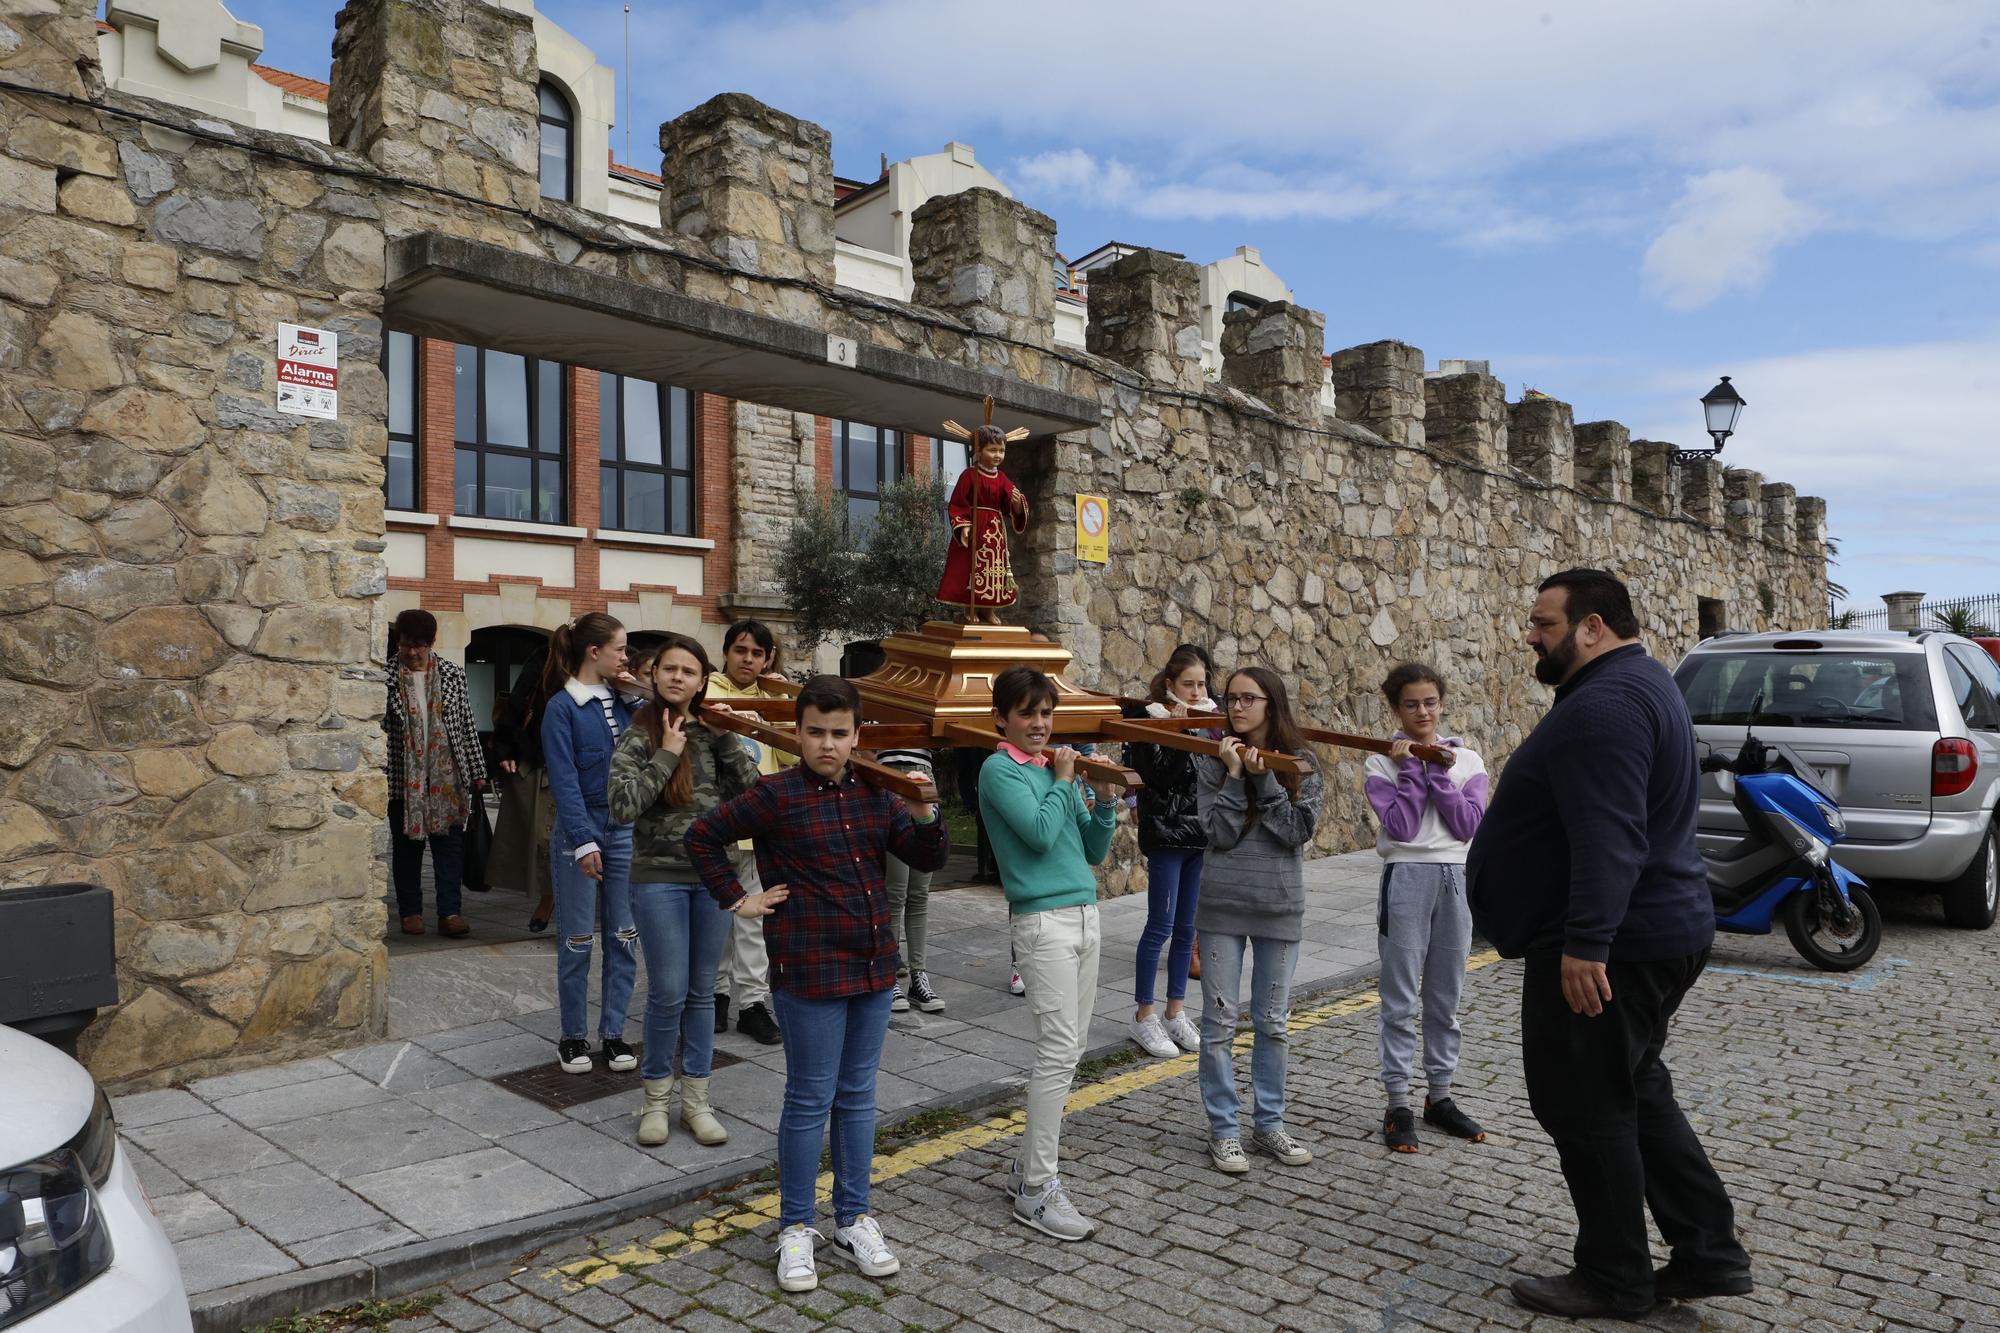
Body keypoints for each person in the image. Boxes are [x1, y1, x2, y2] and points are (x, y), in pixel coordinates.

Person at [1468, 569, 1752, 1318]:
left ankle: (1613, 1274)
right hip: (1653, 931)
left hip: (1613, 947)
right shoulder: (1644, 682)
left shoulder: (1607, 707)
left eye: (1545, 624)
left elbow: (1611, 835)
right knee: (1635, 1088)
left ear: (1593, 626)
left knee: (1584, 1103)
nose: (1531, 635)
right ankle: (1707, 1249)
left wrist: (1587, 943)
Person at [687, 675, 949, 1295]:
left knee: (857, 1095)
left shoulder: (878, 794)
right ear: (797, 734)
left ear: (857, 736)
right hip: (808, 968)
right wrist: (738, 899)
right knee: (809, 1099)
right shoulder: (774, 794)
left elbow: (927, 856)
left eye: (839, 733)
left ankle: (855, 1218)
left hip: (874, 968)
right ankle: (796, 1227)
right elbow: (703, 837)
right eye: (815, 733)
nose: (827, 744)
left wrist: (924, 812)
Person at [979, 665, 1119, 1241]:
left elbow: (1093, 848)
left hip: (1085, 914)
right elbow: (1037, 834)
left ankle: (1028, 1172)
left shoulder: (1050, 767)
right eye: (1028, 713)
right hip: (1043, 923)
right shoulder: (998, 769)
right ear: (1002, 719)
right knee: (1057, 1052)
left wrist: (1103, 798)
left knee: (1073, 1050)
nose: (1040, 723)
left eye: (1046, 713)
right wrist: (1065, 780)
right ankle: (1037, 1190)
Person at [609, 636, 760, 1149]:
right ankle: (655, 1099)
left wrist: (726, 738)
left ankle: (696, 1100)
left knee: (702, 993)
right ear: (654, 677)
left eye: (688, 671)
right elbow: (622, 806)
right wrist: (667, 756)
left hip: (714, 879)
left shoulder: (717, 732)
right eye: (669, 669)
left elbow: (754, 796)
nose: (677, 678)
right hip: (658, 880)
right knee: (668, 991)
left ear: (702, 680)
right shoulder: (639, 734)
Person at [1194, 665, 1324, 1176]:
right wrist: (1232, 775)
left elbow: (1295, 832)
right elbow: (1218, 833)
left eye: (1249, 698)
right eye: (1230, 699)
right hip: (1222, 904)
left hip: (1278, 905)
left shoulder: (1302, 763)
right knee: (1219, 1024)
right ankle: (1224, 1131)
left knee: (1273, 1023)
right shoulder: (1212, 760)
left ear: (1272, 703)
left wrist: (1264, 777)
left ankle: (1269, 1124)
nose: (1238, 707)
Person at [1364, 662, 1489, 1152]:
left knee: (1446, 996)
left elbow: (1465, 825)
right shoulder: (1380, 762)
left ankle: (1440, 1097)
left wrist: (1439, 769)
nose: (1422, 712)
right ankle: (1397, 1101)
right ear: (1396, 708)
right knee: (1399, 997)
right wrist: (1414, 767)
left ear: (1442, 704)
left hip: (1455, 878)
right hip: (1406, 878)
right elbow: (1402, 826)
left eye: (1430, 702)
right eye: (1411, 704)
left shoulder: (1470, 761)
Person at [540, 612, 647, 1077]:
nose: (627, 658)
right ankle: (572, 1036)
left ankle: (614, 1033)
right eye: (621, 649)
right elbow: (562, 781)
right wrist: (583, 842)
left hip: (624, 829)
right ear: (594, 651)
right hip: (578, 833)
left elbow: (663, 721)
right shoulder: (561, 708)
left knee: (624, 938)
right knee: (577, 940)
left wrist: (634, 689)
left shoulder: (625, 702)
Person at [1123, 646, 1214, 1058]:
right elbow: (1157, 777)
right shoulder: (1150, 719)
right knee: (1159, 926)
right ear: (1169, 684)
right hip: (1165, 833)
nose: (1196, 692)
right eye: (1188, 684)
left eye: (1201, 684)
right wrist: (1179, 737)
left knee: (1187, 929)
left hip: (1200, 834)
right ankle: (1145, 1015)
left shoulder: (1212, 719)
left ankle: (1176, 1011)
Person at [703, 619, 787, 1046]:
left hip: (759, 828)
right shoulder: (708, 693)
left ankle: (753, 1003)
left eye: (757, 653)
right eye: (741, 650)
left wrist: (784, 698)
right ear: (726, 652)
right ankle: (714, 997)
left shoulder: (773, 698)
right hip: (717, 828)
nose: (748, 660)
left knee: (755, 923)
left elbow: (791, 755)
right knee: (719, 916)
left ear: (768, 658)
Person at [383, 609, 487, 939]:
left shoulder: (454, 675)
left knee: (449, 848)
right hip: (403, 776)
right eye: (405, 644)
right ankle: (411, 911)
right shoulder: (384, 677)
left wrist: (477, 769)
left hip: (447, 776)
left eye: (419, 645)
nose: (412, 652)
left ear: (431, 643)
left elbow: (467, 725)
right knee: (406, 848)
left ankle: (450, 913)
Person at [489, 646, 557, 932]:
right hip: (541, 761)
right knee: (546, 840)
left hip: (589, 767)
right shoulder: (543, 660)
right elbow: (518, 702)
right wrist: (505, 748)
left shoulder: (609, 666)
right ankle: (550, 898)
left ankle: (557, 901)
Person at [875, 744, 945, 1014]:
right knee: (895, 892)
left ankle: (918, 976)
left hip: (923, 774)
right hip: (890, 776)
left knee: (919, 892)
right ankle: (889, 976)